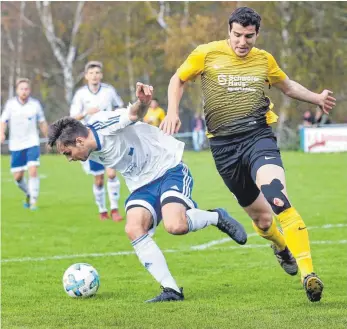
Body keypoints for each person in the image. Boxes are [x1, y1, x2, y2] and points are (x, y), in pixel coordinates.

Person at [160, 7, 336, 302]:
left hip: (258, 138)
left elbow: (288, 85)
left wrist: (317, 98)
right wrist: (173, 112)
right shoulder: (206, 53)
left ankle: (309, 274)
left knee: (278, 198)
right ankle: (281, 247)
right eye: (237, 35)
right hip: (224, 149)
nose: (243, 42)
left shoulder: (264, 60)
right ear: (229, 31)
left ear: (257, 34)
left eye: (249, 37)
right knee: (264, 221)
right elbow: (178, 79)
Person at [48, 82, 247, 303]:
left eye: (68, 153)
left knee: (176, 226)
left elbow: (132, 114)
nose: (69, 159)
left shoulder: (104, 125)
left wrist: (142, 102)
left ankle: (216, 216)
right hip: (140, 184)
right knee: (133, 228)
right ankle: (171, 290)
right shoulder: (85, 144)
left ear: (79, 141)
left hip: (168, 167)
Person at [70, 61, 124, 221]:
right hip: (90, 141)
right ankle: (102, 210)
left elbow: (120, 107)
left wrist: (115, 118)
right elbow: (73, 117)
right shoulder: (80, 94)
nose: (94, 76)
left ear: (101, 75)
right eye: (91, 73)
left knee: (112, 174)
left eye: (97, 73)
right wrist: (86, 112)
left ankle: (115, 209)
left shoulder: (109, 91)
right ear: (86, 76)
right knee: (99, 179)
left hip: (109, 137)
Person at [1, 78, 48, 210]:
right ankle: (28, 192)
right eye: (21, 89)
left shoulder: (35, 104)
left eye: (26, 89)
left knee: (33, 170)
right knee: (18, 176)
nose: (24, 91)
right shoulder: (10, 105)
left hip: (32, 141)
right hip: (16, 144)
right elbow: (3, 121)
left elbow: (42, 122)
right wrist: (2, 133)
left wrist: (49, 137)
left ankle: (34, 201)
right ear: (17, 90)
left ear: (30, 90)